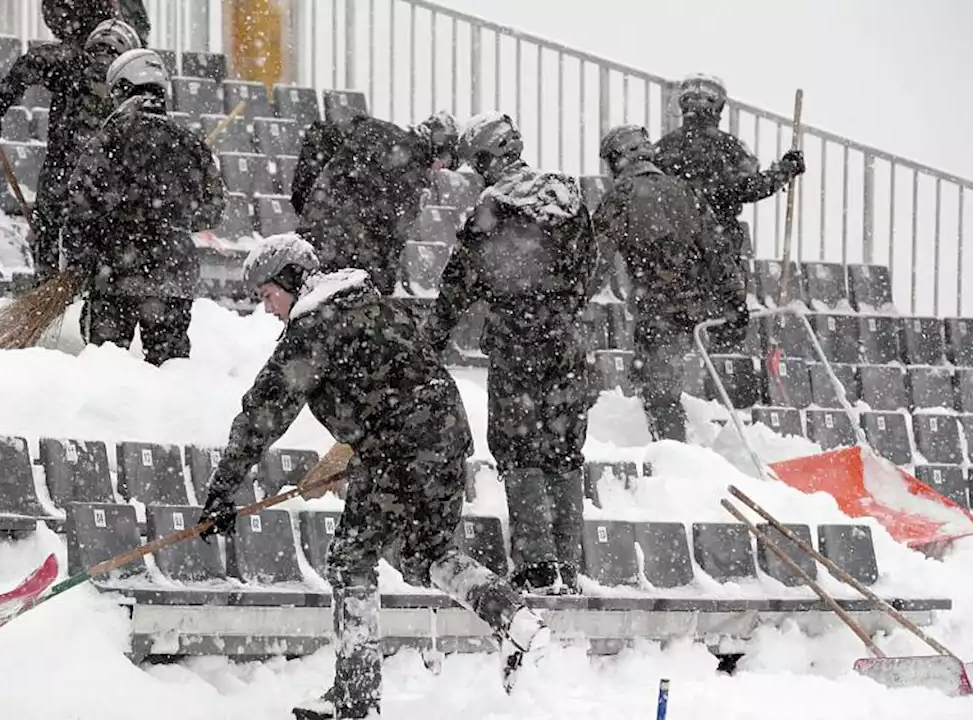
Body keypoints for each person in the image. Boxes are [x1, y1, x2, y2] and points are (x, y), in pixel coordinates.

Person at [197, 235, 551, 719]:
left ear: (291, 280)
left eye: (267, 295)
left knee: (348, 559)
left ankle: (355, 701)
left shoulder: (313, 328)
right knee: (426, 553)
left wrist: (221, 492)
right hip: (447, 436)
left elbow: (262, 414)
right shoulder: (375, 306)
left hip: (399, 449)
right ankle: (516, 619)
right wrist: (356, 453)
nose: (267, 309)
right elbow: (394, 386)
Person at [422, 112, 601, 596]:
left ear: (484, 160)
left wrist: (429, 341)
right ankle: (569, 566)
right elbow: (591, 270)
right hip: (566, 344)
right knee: (564, 451)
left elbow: (458, 287)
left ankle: (536, 568)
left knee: (519, 450)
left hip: (517, 347)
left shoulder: (491, 206)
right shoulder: (567, 194)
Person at [58, 48, 224, 365]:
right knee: (171, 369)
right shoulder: (191, 143)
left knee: (106, 366)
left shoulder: (110, 137)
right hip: (173, 274)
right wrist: (171, 219)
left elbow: (80, 203)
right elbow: (214, 209)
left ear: (122, 88)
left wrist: (79, 259)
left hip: (116, 270)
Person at [0, 2, 141, 275]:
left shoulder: (72, 61)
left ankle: (49, 295)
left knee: (50, 264)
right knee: (99, 279)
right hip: (106, 199)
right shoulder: (133, 83)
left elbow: (30, 64)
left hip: (60, 187)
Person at [594, 125, 731, 442]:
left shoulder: (622, 196)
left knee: (660, 393)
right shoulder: (685, 191)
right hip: (695, 309)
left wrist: (569, 302)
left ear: (620, 158)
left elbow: (596, 259)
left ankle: (675, 462)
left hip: (657, 308)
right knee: (661, 383)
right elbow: (719, 252)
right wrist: (734, 304)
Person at [653, 74, 806, 344]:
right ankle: (719, 370)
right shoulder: (728, 147)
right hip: (719, 255)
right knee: (724, 329)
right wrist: (785, 170)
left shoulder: (662, 149)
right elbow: (751, 186)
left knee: (676, 332)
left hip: (671, 258)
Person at [290, 110, 460, 294]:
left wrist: (306, 197)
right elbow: (394, 235)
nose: (441, 169)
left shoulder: (374, 127)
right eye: (446, 162)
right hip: (345, 255)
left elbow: (320, 132)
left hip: (312, 238)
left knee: (305, 305)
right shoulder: (415, 174)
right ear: (438, 148)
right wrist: (384, 285)